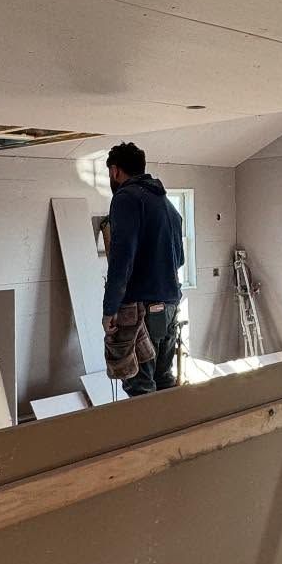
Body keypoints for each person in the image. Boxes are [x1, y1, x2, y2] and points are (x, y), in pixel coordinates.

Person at [102, 141, 185, 397]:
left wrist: (110, 309)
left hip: (140, 310)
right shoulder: (165, 203)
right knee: (163, 380)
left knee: (138, 384)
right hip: (169, 305)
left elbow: (121, 258)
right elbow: (179, 258)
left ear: (116, 171)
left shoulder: (126, 198)